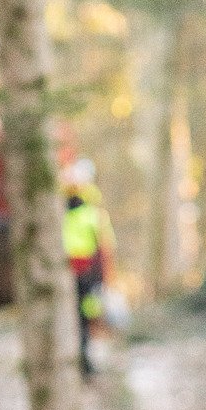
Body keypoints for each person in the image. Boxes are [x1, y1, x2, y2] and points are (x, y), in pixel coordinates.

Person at [62, 159, 115, 378]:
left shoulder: (72, 212)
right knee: (83, 321)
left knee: (84, 320)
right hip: (82, 275)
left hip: (82, 275)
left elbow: (102, 247)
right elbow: (103, 247)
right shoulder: (88, 213)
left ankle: (84, 362)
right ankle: (83, 364)